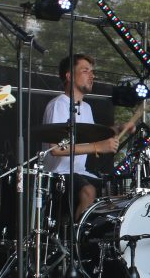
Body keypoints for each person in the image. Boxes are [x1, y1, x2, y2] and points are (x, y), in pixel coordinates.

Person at [41, 54, 132, 221]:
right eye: (85, 71)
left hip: (79, 172)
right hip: (58, 175)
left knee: (120, 194)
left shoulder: (87, 108)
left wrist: (118, 129)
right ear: (69, 76)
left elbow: (91, 135)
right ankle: (76, 242)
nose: (92, 76)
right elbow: (56, 149)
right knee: (88, 191)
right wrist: (98, 147)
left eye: (92, 72)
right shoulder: (59, 104)